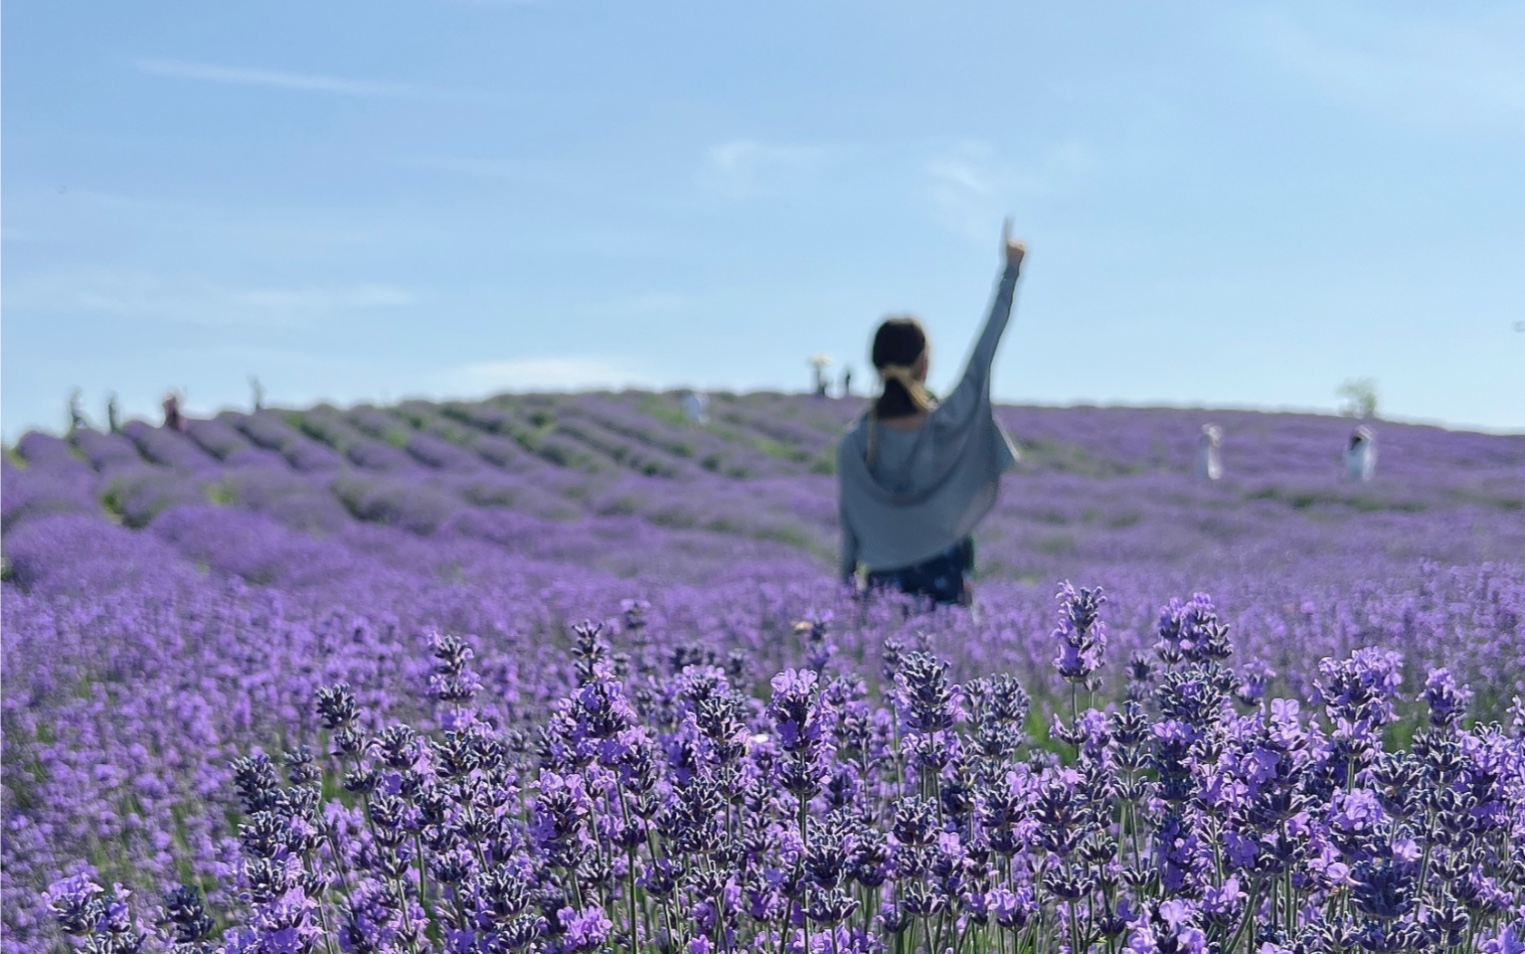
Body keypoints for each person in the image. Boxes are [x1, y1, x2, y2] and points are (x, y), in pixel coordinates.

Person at [836, 219, 1026, 608]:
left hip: (883, 586)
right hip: (945, 575)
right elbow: (984, 352)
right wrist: (1011, 268)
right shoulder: (946, 423)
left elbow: (849, 523)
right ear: (924, 365)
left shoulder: (856, 442)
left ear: (875, 364)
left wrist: (844, 592)